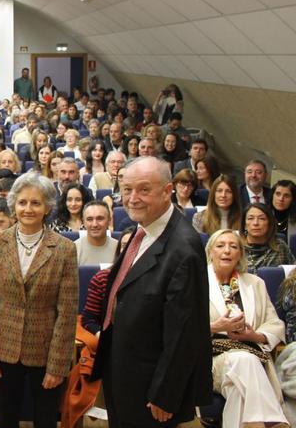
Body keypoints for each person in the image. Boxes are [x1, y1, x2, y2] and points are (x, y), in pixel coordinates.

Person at [94, 156, 212, 428]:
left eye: (144, 190)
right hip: (125, 369)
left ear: (167, 191)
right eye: (127, 189)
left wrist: (166, 393)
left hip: (151, 386)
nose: (132, 198)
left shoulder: (183, 248)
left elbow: (185, 330)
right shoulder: (143, 230)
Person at [0, 171, 77, 428]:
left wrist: (57, 365)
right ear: (14, 206)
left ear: (47, 207)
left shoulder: (65, 249)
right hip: (4, 349)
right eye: (22, 202)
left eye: (36, 203)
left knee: (45, 420)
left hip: (45, 352)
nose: (28, 208)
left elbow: (66, 312)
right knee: (5, 419)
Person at [206, 229, 288, 428]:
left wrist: (255, 334)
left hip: (250, 355)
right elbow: (182, 329)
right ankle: (275, 421)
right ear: (210, 252)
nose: (227, 251)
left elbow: (275, 323)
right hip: (210, 359)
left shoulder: (255, 283)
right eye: (220, 246)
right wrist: (216, 326)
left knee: (238, 390)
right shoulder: (196, 283)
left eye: (233, 246)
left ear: (240, 254)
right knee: (245, 360)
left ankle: (256, 423)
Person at [242, 202, 295, 272]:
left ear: (269, 223)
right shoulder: (237, 248)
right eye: (250, 218)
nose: (255, 223)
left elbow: (293, 274)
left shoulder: (280, 247)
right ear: (245, 225)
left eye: (261, 218)